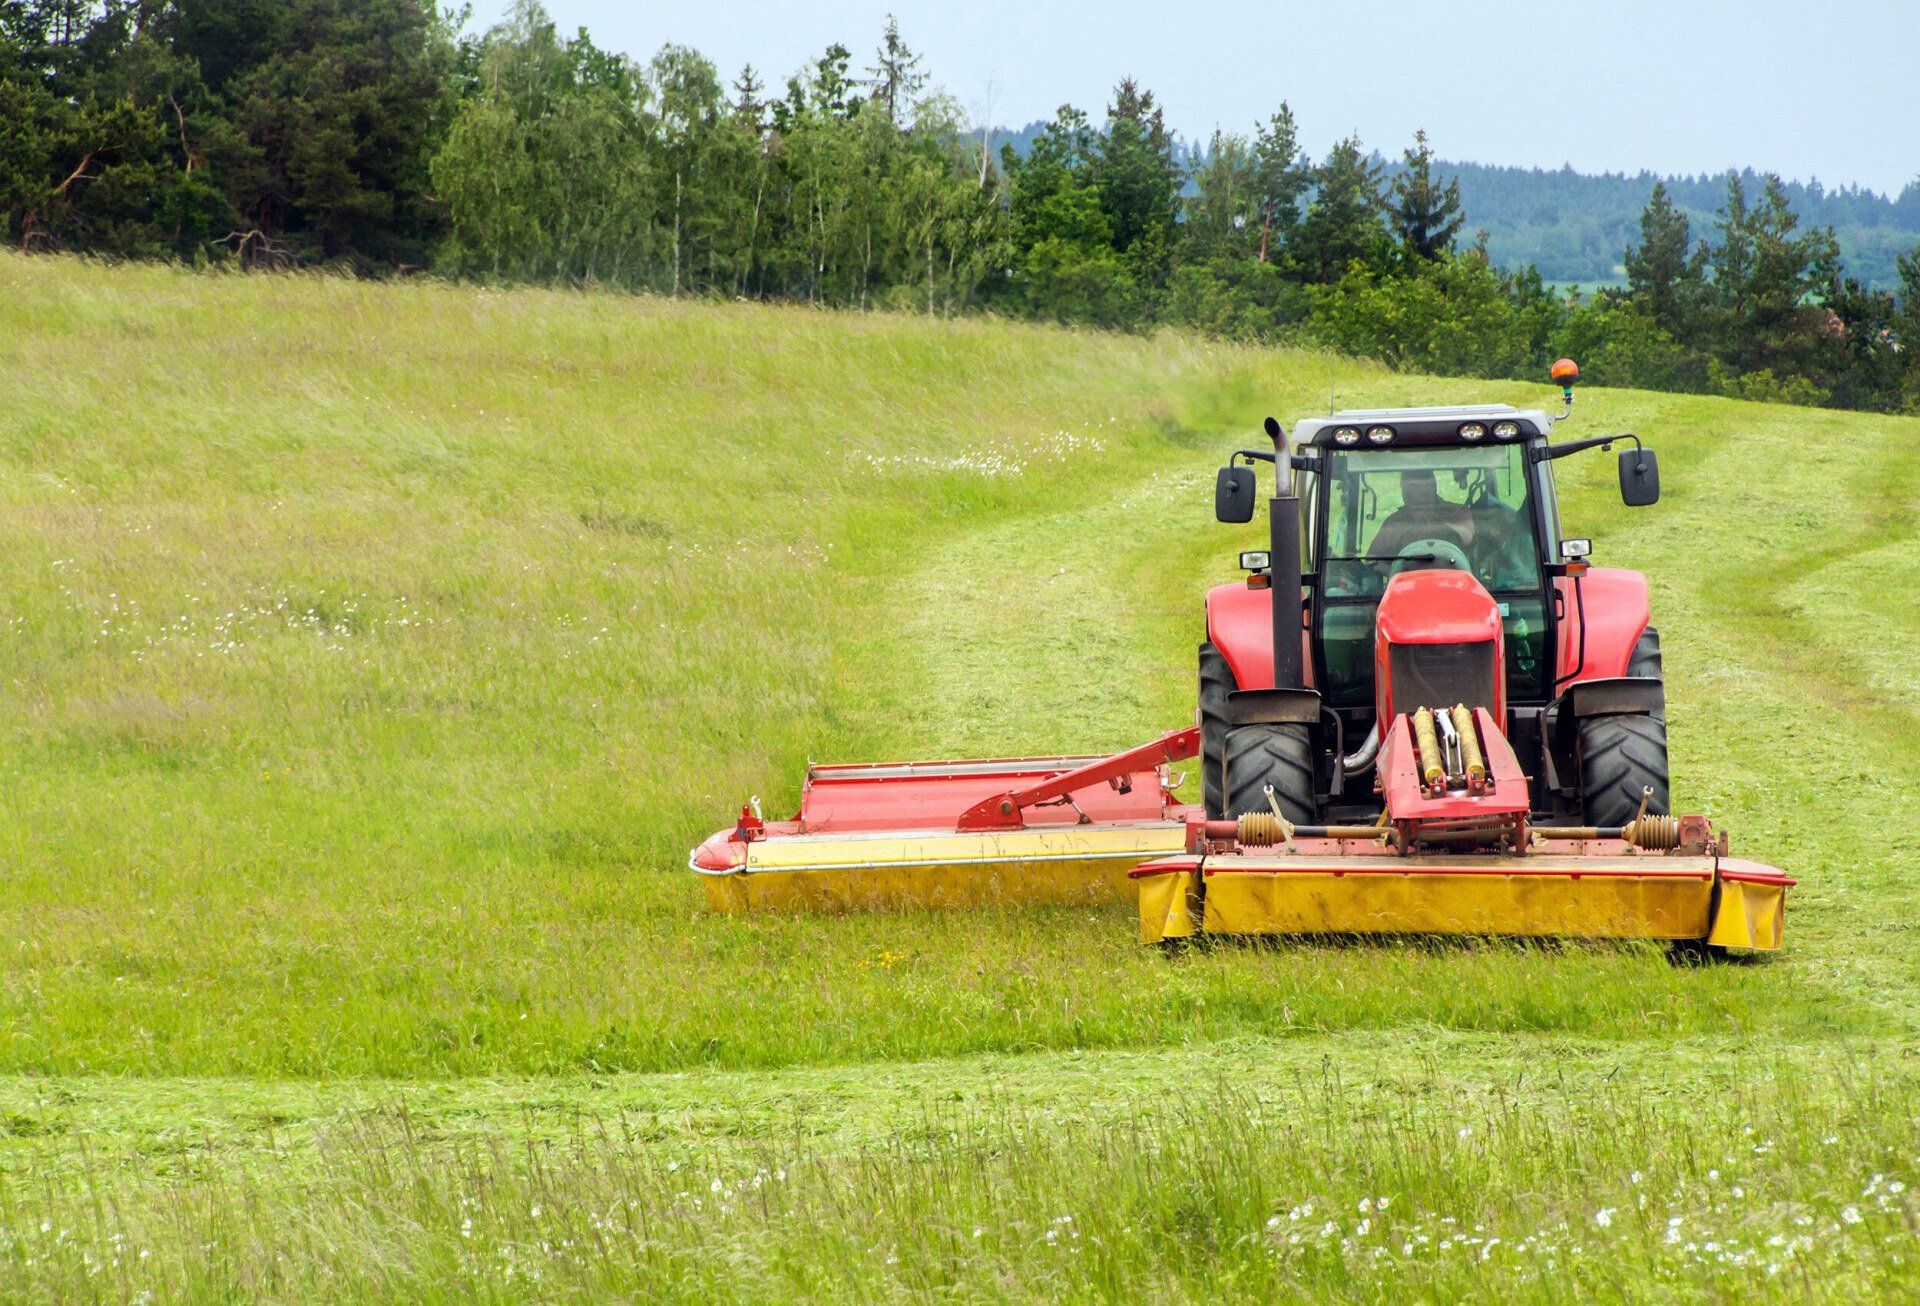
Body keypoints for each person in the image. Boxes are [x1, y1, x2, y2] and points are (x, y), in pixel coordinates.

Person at [1368, 469, 1473, 558]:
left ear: (1433, 487)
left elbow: (1468, 538)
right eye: (1408, 490)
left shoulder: (1456, 513)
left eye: (1419, 488)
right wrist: (1394, 571)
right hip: (1406, 580)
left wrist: (1439, 523)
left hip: (1455, 579)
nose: (1415, 495)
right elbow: (1372, 558)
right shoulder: (1394, 522)